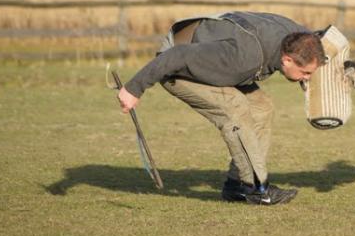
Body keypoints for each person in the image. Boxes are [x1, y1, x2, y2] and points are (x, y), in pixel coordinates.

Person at [117, 11, 327, 205]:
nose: (307, 79)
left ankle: (237, 186)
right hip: (176, 65)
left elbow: (325, 42)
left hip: (216, 53)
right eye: (305, 73)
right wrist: (134, 88)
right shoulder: (242, 59)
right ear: (287, 59)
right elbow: (178, 56)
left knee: (262, 108)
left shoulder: (297, 37)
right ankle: (256, 188)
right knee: (235, 109)